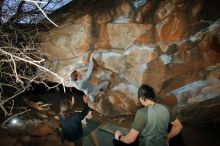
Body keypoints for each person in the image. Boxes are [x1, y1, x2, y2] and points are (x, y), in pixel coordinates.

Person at [114, 84, 183, 146]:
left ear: (142, 98)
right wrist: (167, 137)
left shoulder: (142, 113)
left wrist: (119, 136)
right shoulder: (165, 108)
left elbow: (130, 139)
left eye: (139, 99)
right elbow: (179, 126)